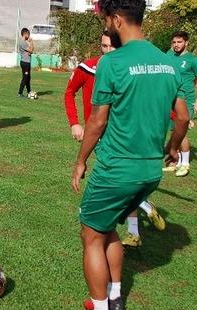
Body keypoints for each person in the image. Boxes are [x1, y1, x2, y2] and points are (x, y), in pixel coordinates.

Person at [72, 0, 188, 310]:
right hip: (150, 171)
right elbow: (182, 118)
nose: (106, 26)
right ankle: (116, 294)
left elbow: (97, 121)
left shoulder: (112, 62)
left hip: (116, 168)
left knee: (91, 233)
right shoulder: (169, 64)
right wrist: (173, 147)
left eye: (107, 19)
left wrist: (80, 161)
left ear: (118, 19)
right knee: (109, 230)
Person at [64, 30, 165, 251]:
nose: (108, 51)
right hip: (96, 134)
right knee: (123, 184)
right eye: (104, 46)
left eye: (112, 47)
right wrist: (74, 122)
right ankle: (136, 226)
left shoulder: (125, 69)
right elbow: (69, 92)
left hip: (117, 136)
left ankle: (138, 216)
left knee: (117, 185)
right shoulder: (87, 68)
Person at [164, 31, 197, 177]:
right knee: (174, 131)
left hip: (186, 99)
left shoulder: (192, 59)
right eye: (174, 42)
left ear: (186, 43)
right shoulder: (168, 54)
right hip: (171, 98)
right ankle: (176, 162)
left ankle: (185, 164)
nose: (176, 45)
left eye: (179, 42)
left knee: (182, 131)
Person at [17, 28, 34, 97]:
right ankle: (20, 93)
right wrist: (31, 41)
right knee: (25, 77)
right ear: (25, 34)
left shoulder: (25, 42)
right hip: (25, 63)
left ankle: (29, 92)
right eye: (28, 34)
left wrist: (30, 44)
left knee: (28, 78)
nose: (29, 36)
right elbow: (31, 51)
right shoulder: (22, 42)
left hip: (26, 62)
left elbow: (30, 51)